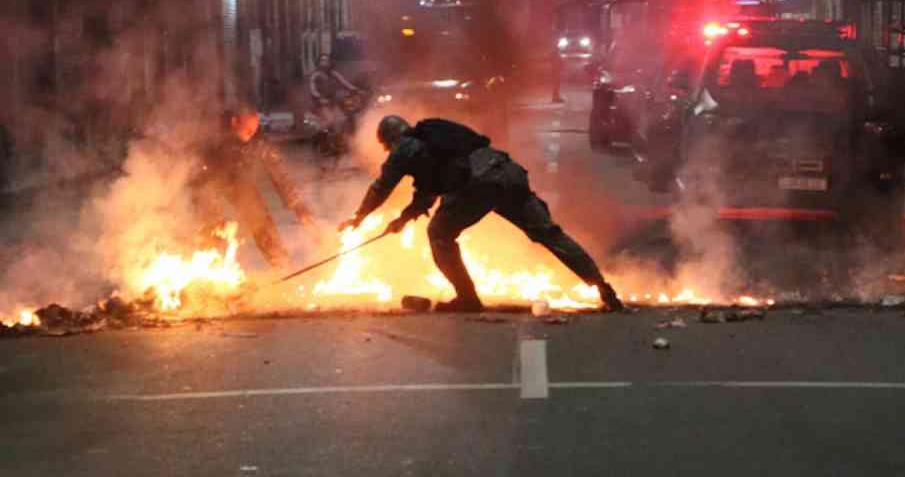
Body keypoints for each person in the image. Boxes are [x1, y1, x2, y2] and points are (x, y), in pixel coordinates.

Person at [337, 115, 625, 312]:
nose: (389, 150)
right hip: (508, 172)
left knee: (439, 233)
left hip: (478, 184)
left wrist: (358, 217)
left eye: (387, 146)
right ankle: (603, 288)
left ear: (391, 139)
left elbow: (381, 187)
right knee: (548, 233)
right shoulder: (434, 135)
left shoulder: (405, 148)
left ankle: (467, 299)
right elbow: (429, 190)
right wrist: (402, 219)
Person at [191, 109, 318, 271]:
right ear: (234, 122)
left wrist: (298, 206)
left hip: (237, 179)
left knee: (259, 217)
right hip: (208, 178)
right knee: (213, 227)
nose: (252, 134)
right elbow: (200, 182)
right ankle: (211, 270)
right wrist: (215, 217)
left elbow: (278, 171)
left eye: (255, 129)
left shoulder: (257, 139)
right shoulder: (212, 137)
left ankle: (282, 264)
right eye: (248, 130)